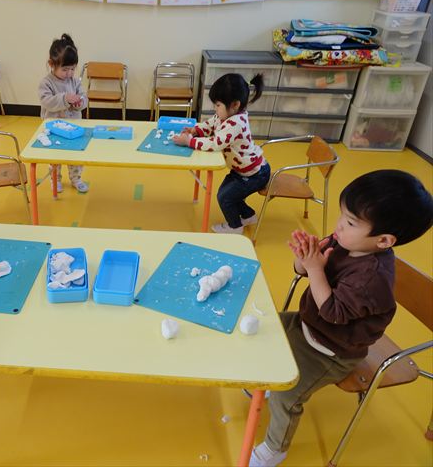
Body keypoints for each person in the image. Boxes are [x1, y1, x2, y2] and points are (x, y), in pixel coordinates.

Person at [249, 170, 433, 467]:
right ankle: (269, 377)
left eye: (349, 222)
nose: (338, 226)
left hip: (332, 351)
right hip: (308, 325)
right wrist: (305, 257)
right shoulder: (345, 241)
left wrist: (315, 269)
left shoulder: (370, 279)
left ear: (384, 240)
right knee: (261, 328)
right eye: (341, 215)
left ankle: (275, 449)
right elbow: (302, 271)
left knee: (287, 396)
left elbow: (333, 312)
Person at [173, 73, 268, 234]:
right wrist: (195, 130)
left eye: (217, 105)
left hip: (254, 174)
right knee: (228, 193)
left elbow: (215, 143)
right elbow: (211, 124)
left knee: (225, 196)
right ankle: (248, 215)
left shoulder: (235, 123)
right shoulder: (226, 115)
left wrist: (190, 141)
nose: (215, 109)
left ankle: (235, 227)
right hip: (245, 170)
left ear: (235, 105)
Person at [38, 33, 89, 193]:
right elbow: (47, 101)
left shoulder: (75, 81)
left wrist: (80, 103)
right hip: (54, 129)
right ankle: (56, 180)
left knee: (75, 156)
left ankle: (76, 179)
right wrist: (65, 98)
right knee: (55, 157)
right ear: (51, 64)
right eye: (65, 69)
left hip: (74, 127)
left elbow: (84, 97)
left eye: (72, 69)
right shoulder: (46, 83)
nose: (69, 73)